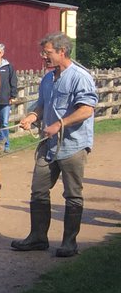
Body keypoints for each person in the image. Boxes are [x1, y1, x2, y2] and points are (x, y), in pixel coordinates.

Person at [11, 32, 98, 257]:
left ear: (62, 52)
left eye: (47, 52)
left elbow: (87, 109)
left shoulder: (80, 76)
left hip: (73, 145)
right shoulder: (48, 78)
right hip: (48, 145)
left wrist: (60, 124)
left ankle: (69, 242)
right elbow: (42, 104)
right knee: (38, 191)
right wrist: (32, 117)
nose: (44, 57)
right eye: (44, 52)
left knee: (72, 195)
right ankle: (38, 238)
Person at [0, 43, 18, 151]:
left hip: (5, 99)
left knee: (4, 123)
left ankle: (6, 145)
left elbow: (13, 81)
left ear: (2, 53)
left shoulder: (8, 66)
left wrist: (13, 95)